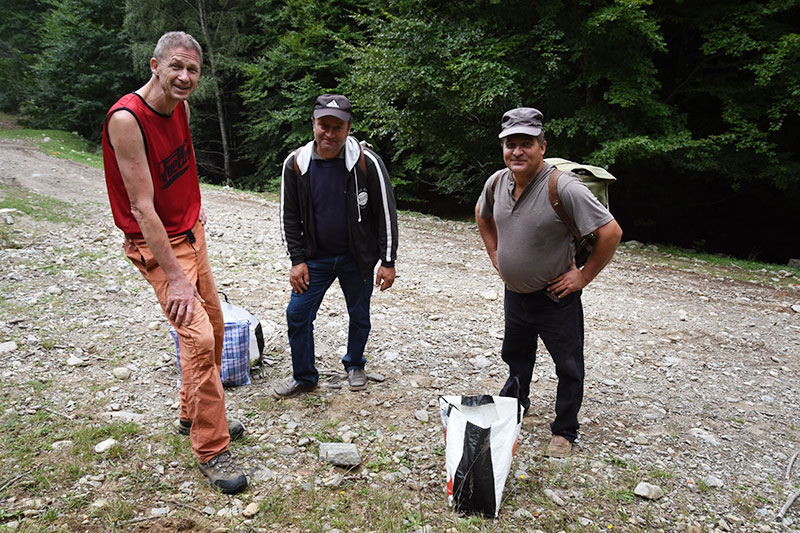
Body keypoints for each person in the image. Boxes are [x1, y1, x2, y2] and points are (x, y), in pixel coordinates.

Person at [102, 31, 247, 494]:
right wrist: (176, 279)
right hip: (158, 244)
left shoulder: (180, 107)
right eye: (176, 68)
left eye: (193, 70)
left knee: (216, 327)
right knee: (200, 337)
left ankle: (193, 415)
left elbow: (182, 164)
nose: (185, 77)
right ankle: (212, 448)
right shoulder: (127, 119)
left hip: (191, 232)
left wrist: (195, 206)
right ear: (155, 65)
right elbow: (142, 209)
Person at [475, 107, 622, 458]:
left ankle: (565, 429)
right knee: (515, 356)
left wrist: (583, 276)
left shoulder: (563, 187)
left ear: (542, 146)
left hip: (556, 298)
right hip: (516, 295)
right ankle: (515, 406)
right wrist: (496, 256)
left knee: (568, 366)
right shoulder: (497, 182)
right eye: (511, 144)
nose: (517, 151)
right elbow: (482, 216)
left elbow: (611, 232)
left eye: (526, 143)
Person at [274, 94, 398, 398]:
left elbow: (386, 211)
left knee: (360, 314)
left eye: (337, 127)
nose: (329, 134)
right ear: (313, 124)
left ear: (348, 128)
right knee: (297, 315)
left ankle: (355, 364)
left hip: (357, 257)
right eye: (323, 126)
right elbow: (288, 216)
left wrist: (388, 260)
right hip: (314, 258)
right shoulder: (296, 165)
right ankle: (304, 376)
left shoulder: (366, 163)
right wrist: (296, 260)